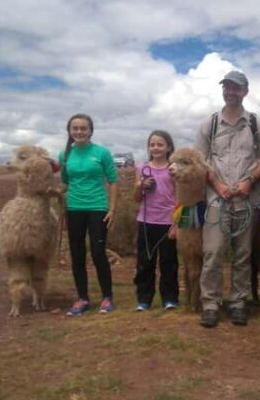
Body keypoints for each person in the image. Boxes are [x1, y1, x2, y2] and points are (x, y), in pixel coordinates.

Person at [195, 70, 260, 328]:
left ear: (245, 91)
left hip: (247, 200)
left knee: (243, 254)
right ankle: (211, 304)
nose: (230, 91)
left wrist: (249, 182)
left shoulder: (256, 124)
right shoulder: (209, 124)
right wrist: (217, 184)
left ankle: (238, 302)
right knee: (213, 252)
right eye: (226, 87)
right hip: (217, 200)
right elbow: (200, 161)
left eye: (236, 88)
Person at [60, 113, 119, 316]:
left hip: (97, 208)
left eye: (83, 128)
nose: (79, 132)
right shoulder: (65, 155)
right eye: (75, 128)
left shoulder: (102, 153)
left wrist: (112, 209)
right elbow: (65, 182)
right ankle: (82, 299)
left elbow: (113, 181)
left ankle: (107, 297)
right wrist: (53, 193)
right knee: (77, 255)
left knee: (97, 253)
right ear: (70, 131)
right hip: (74, 209)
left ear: (90, 131)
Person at [133, 130, 179, 312]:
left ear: (168, 147)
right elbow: (136, 198)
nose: (156, 148)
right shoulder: (141, 168)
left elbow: (179, 197)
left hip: (168, 222)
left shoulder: (173, 169)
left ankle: (170, 298)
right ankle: (144, 299)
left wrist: (176, 223)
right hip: (146, 222)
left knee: (169, 262)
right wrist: (139, 186)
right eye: (152, 144)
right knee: (145, 262)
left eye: (160, 144)